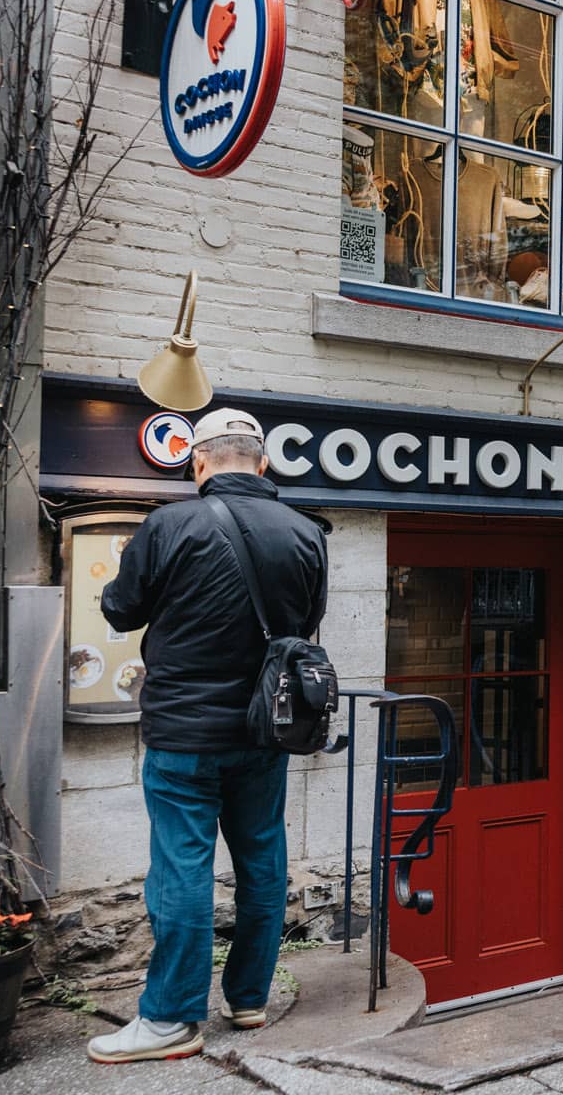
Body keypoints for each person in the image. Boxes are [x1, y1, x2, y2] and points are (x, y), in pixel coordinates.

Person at [88, 409, 328, 1063]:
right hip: (264, 731)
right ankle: (248, 998)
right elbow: (305, 624)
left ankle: (170, 1018)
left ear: (197, 463)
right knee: (262, 860)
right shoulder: (307, 534)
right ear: (262, 462)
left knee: (182, 871)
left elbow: (118, 608)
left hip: (183, 736)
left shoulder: (168, 525)